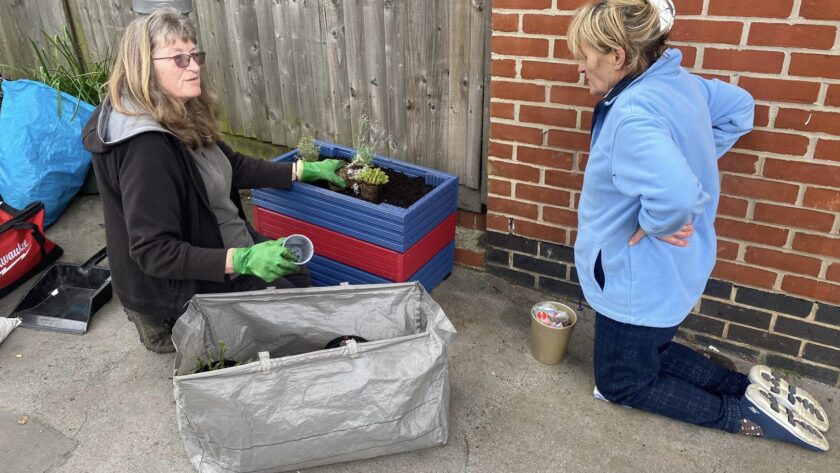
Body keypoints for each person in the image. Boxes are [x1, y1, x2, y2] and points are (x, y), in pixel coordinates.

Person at [568, 0, 830, 452]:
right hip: (675, 271)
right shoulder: (678, 82)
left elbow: (676, 196)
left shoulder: (633, 113)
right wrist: (697, 158)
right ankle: (741, 387)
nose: (579, 67)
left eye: (585, 55)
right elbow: (740, 107)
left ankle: (739, 415)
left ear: (617, 56)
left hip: (636, 278)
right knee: (654, 349)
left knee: (622, 382)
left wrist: (654, 221)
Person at [82, 8, 346, 353]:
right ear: (145, 66)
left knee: (297, 277)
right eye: (178, 58)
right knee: (290, 327)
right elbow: (153, 252)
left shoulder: (178, 107)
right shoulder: (145, 147)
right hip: (172, 292)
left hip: (217, 239)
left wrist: (299, 171)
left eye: (195, 55)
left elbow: (229, 165)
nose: (193, 66)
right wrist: (243, 261)